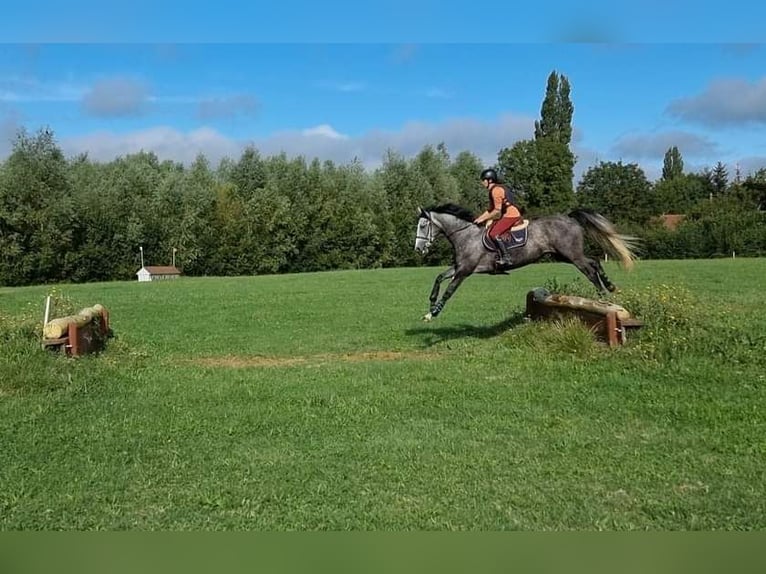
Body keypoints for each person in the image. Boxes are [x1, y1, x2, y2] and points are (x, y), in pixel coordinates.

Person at [473, 167, 523, 269]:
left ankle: (506, 257)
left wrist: (483, 219)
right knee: (490, 229)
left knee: (493, 233)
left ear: (489, 180)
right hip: (507, 214)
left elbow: (497, 210)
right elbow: (490, 209)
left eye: (483, 180)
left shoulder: (496, 190)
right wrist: (479, 218)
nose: (482, 183)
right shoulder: (493, 190)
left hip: (511, 214)